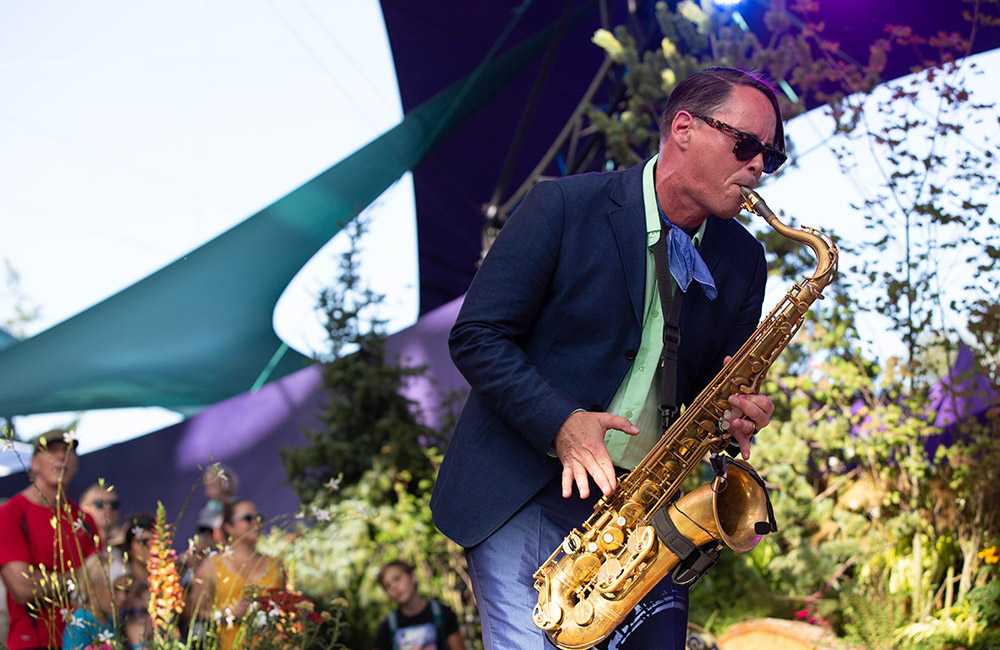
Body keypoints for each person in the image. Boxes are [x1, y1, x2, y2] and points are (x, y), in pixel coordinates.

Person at [430, 66, 784, 649]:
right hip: (526, 486)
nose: (757, 167)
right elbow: (478, 334)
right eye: (746, 145)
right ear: (685, 128)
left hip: (643, 513)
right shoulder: (563, 205)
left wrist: (731, 415)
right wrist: (562, 423)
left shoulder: (744, 260)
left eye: (771, 156)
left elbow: (704, 396)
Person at [0, 430, 100, 649]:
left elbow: (101, 583)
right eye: (51, 451)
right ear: (34, 463)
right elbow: (22, 588)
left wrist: (45, 578)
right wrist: (77, 579)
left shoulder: (85, 520)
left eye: (67, 451)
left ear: (76, 462)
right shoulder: (11, 514)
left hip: (85, 642)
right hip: (33, 643)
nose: (61, 457)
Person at [187, 499, 286, 650]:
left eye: (258, 518)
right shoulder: (212, 566)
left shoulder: (276, 564)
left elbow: (287, 607)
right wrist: (228, 614)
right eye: (247, 518)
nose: (255, 523)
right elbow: (196, 613)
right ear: (229, 527)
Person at [372, 561, 464, 650]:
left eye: (397, 579)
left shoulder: (441, 612)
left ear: (413, 577)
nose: (394, 587)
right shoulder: (388, 626)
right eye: (387, 586)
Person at [61, 553, 126, 650]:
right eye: (115, 589)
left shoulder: (110, 620)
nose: (123, 597)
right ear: (91, 588)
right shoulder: (80, 623)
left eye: (125, 591)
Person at [79, 483, 122, 551]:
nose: (108, 508)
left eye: (114, 504)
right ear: (84, 509)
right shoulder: (77, 544)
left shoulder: (125, 548)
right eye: (100, 504)